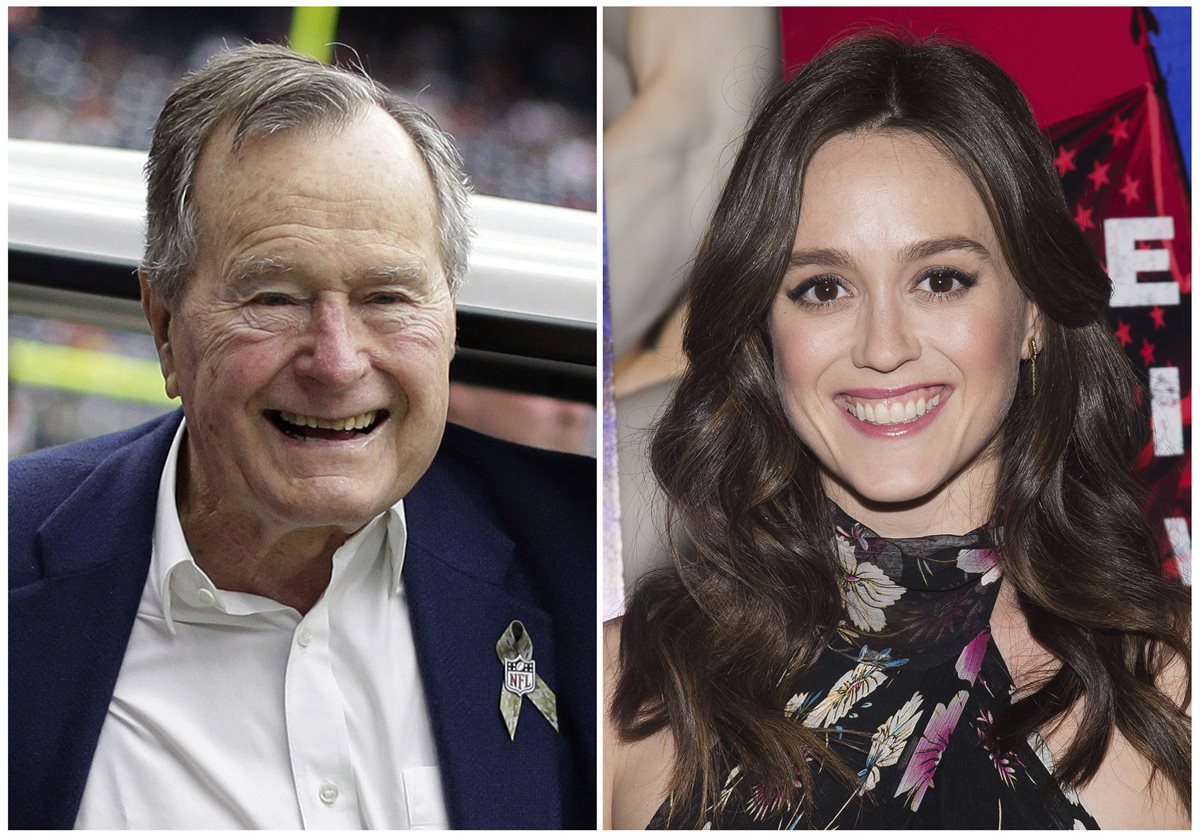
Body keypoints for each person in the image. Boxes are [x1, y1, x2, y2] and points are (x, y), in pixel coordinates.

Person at [604, 32, 1189, 830]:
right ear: (763, 332)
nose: (883, 347)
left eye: (941, 279)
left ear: (1034, 316)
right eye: (823, 287)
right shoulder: (621, 691)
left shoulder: (1175, 689)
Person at [10, 44, 595, 830]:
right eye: (274, 296)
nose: (337, 361)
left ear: (449, 320)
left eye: (387, 295)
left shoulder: (591, 562)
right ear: (163, 326)